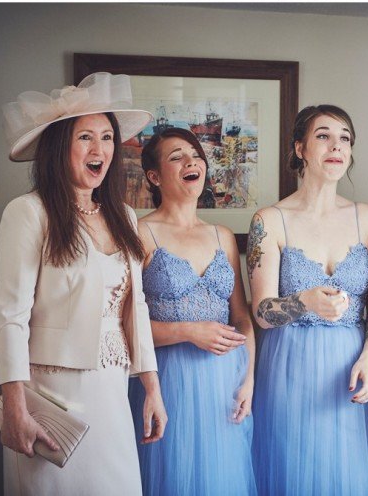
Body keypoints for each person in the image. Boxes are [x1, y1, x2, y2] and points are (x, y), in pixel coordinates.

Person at [0, 72, 166, 496]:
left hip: (111, 390)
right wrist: (14, 406)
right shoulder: (28, 212)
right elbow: (8, 315)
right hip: (50, 395)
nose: (100, 150)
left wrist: (151, 388)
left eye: (107, 138)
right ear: (58, 148)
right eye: (85, 137)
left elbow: (135, 307)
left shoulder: (124, 216)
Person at [246, 104, 368, 496]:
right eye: (323, 136)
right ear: (300, 149)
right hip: (290, 367)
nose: (336, 146)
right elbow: (261, 311)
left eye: (345, 138)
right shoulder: (270, 220)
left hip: (351, 367)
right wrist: (304, 301)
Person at [128, 127, 257, 496]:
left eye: (195, 155)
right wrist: (188, 331)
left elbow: (242, 317)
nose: (191, 161)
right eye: (177, 157)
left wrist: (248, 379)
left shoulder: (223, 236)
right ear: (154, 177)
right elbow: (125, 323)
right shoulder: (140, 232)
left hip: (226, 383)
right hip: (168, 380)